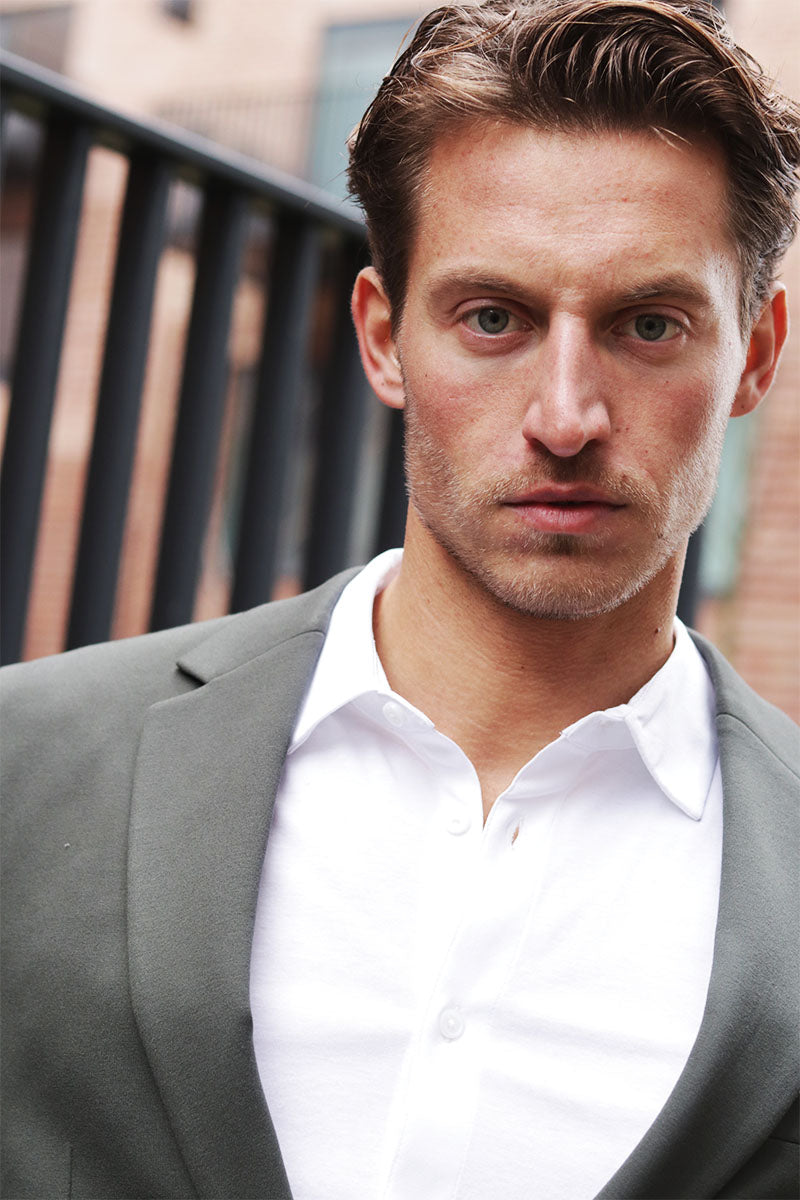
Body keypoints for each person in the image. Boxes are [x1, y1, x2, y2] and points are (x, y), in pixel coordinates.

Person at [2, 0, 798, 1196]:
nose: (564, 417)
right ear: (380, 338)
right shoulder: (27, 764)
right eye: (492, 319)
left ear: (752, 353)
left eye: (647, 324)